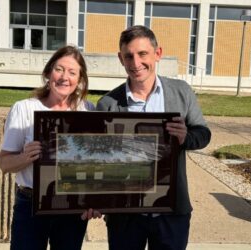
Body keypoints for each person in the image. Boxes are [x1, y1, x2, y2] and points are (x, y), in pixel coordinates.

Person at [96, 25, 211, 250]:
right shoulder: (108, 103)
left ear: (157, 54)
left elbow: (203, 134)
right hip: (125, 214)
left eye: (142, 54)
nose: (136, 63)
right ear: (121, 59)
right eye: (128, 56)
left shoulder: (181, 92)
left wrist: (186, 137)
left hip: (171, 210)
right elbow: (99, 158)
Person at [0, 45, 95, 250]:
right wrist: (26, 156)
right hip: (31, 204)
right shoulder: (25, 108)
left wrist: (91, 199)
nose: (64, 77)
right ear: (48, 72)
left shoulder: (88, 110)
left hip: (72, 206)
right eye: (59, 69)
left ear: (80, 79)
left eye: (72, 72)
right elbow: (4, 163)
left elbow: (94, 163)